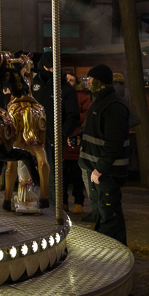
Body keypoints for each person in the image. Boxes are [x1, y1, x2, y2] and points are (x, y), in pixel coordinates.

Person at [80, 64, 130, 245]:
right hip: (98, 168)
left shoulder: (113, 106)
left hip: (107, 171)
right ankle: (110, 248)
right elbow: (96, 132)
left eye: (90, 79)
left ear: (99, 81)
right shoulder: (99, 102)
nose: (88, 82)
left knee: (109, 212)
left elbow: (113, 143)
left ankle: (110, 249)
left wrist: (99, 169)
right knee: (102, 211)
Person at [59, 74, 87, 214]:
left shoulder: (81, 97)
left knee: (77, 175)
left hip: (75, 139)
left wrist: (71, 115)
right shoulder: (59, 95)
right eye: (67, 79)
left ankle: (78, 202)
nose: (69, 82)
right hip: (62, 141)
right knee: (61, 176)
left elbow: (87, 115)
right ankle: (63, 202)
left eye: (72, 80)